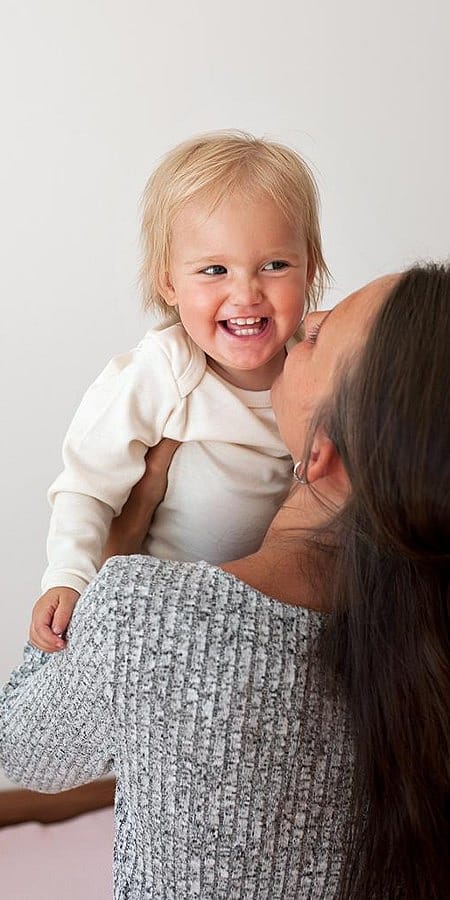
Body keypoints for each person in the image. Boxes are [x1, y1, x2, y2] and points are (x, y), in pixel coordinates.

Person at [2, 264, 449, 899]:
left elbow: (24, 750)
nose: (302, 320)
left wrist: (102, 560)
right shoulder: (429, 652)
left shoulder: (148, 612)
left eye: (318, 337)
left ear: (320, 452)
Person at [29, 130, 329, 653]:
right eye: (215, 270)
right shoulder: (164, 370)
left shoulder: (320, 369)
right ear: (168, 283)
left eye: (275, 266)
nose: (246, 293)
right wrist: (69, 576)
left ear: (310, 268)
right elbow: (87, 485)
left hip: (276, 620)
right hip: (161, 611)